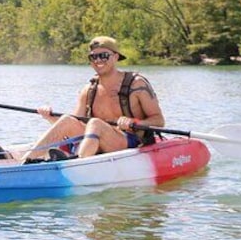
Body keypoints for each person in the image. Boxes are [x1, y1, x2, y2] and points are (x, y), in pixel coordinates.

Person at [21, 35, 165, 163]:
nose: (98, 60)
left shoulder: (137, 84)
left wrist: (134, 122)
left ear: (115, 57)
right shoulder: (88, 90)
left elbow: (159, 121)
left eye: (103, 56)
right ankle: (27, 160)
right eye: (93, 57)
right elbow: (75, 123)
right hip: (94, 140)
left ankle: (77, 163)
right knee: (66, 120)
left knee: (96, 123)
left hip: (129, 140)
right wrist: (49, 117)